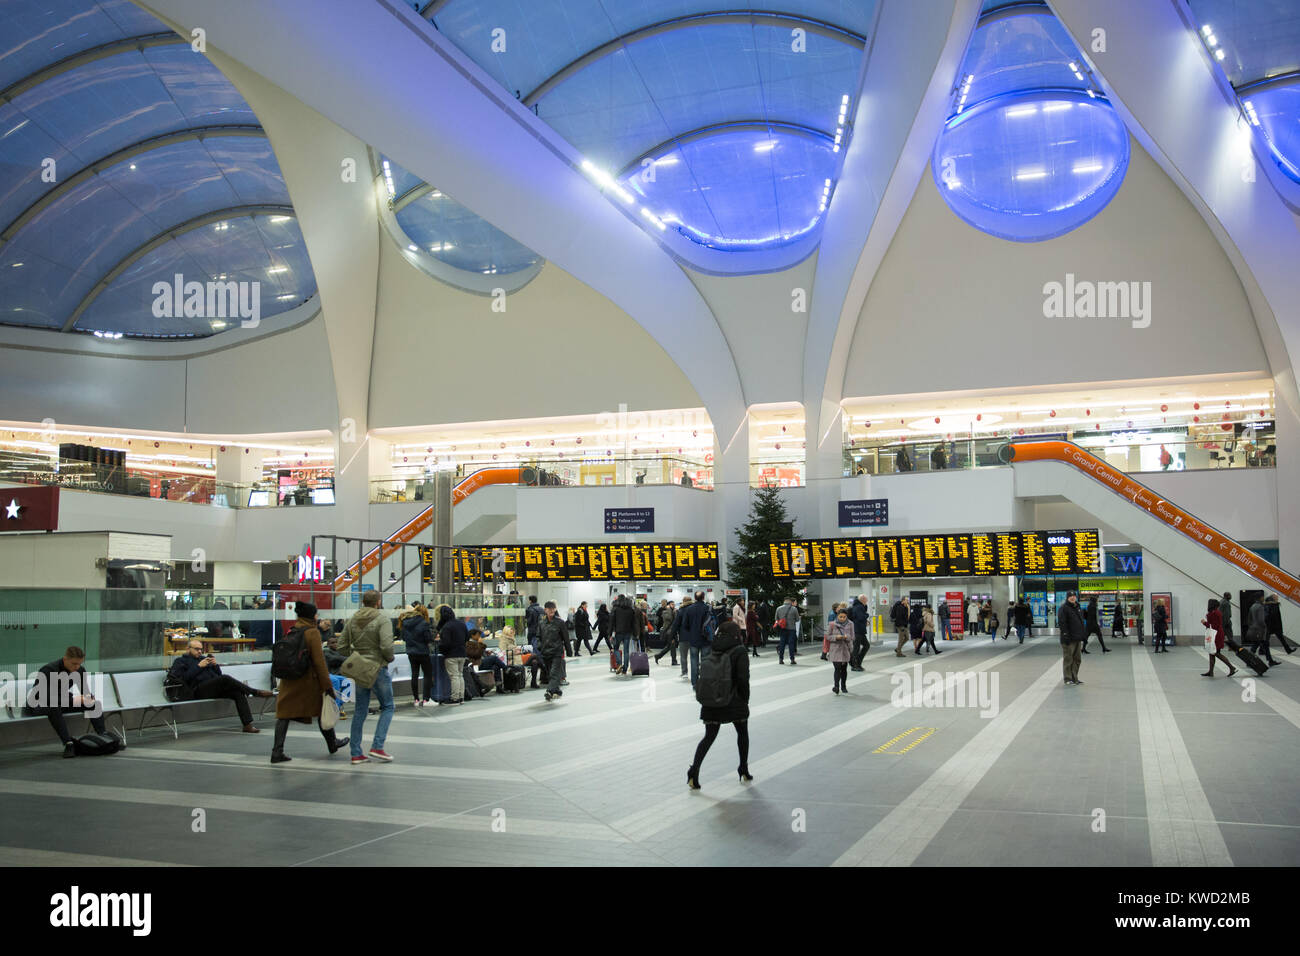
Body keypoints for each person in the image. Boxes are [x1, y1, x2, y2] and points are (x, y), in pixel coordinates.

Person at [271, 602, 348, 763]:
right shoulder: (312, 633)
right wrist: (327, 686)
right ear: (312, 616)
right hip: (307, 682)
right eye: (315, 613)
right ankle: (332, 743)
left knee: (284, 715)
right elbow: (319, 663)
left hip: (289, 679)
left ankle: (277, 751)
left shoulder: (292, 630)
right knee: (321, 708)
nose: (317, 616)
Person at [686, 620, 751, 789]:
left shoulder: (713, 647)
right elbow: (743, 678)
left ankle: (694, 771)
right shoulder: (739, 650)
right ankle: (743, 768)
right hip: (734, 699)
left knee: (709, 736)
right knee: (742, 733)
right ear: (736, 634)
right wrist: (745, 699)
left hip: (712, 698)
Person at [167, 637, 273, 733]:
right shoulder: (180, 661)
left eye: (201, 649)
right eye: (196, 649)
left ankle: (247, 725)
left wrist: (215, 666)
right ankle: (254, 692)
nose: (199, 651)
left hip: (212, 688)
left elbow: (218, 676)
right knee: (225, 678)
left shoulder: (203, 659)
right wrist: (199, 667)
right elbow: (183, 679)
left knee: (237, 693)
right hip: (196, 690)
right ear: (188, 649)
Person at [339, 589, 396, 763]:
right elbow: (386, 645)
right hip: (378, 667)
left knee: (360, 710)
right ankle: (377, 746)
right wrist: (389, 658)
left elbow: (342, 646)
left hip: (359, 669)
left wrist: (355, 657)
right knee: (387, 706)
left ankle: (356, 752)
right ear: (378, 602)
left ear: (363, 602)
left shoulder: (352, 619)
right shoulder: (382, 619)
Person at [28, 647, 114, 757]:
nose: (76, 667)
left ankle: (103, 737)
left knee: (94, 704)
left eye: (79, 664)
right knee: (54, 707)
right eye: (74, 664)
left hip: (61, 701)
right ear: (65, 659)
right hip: (39, 704)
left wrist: (89, 698)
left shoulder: (79, 670)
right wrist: (73, 700)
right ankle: (68, 744)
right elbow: (44, 697)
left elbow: (85, 691)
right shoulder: (49, 670)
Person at [678, 590, 715, 688]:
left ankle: (694, 683)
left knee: (693, 661)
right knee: (705, 660)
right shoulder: (708, 608)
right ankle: (705, 681)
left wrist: (692, 631)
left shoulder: (689, 609)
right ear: (703, 597)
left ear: (695, 598)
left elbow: (684, 625)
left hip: (693, 639)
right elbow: (715, 622)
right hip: (706, 639)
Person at [400, 604, 434, 707]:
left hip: (411, 652)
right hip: (423, 651)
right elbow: (427, 638)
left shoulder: (405, 623)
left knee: (414, 674)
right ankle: (426, 699)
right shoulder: (423, 623)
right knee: (427, 674)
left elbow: (404, 638)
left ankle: (416, 699)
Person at [435, 603, 469, 705]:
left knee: (454, 676)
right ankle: (461, 697)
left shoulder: (446, 627)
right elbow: (467, 637)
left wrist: (440, 647)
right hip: (462, 653)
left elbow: (446, 643)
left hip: (451, 655)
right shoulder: (461, 623)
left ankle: (454, 698)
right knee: (460, 675)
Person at [538, 601, 568, 701]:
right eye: (549, 609)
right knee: (549, 674)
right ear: (545, 610)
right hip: (545, 652)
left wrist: (569, 650)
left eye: (553, 609)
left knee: (554, 673)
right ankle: (557, 690)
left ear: (555, 609)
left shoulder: (560, 622)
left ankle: (549, 691)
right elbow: (538, 637)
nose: (551, 610)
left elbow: (565, 637)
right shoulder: (542, 623)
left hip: (557, 652)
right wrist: (539, 647)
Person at [1200, 598, 1237, 678]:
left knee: (1216, 653)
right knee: (1212, 653)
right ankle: (1211, 671)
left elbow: (1213, 626)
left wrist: (1204, 623)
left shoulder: (1213, 614)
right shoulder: (1217, 612)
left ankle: (1231, 667)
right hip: (1217, 634)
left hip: (1215, 635)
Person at [1058, 592, 1086, 685]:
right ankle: (1067, 678)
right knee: (1068, 659)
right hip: (1068, 639)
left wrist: (1083, 635)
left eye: (1074, 596)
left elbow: (1081, 622)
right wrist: (1065, 635)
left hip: (1077, 637)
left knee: (1077, 659)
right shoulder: (1064, 608)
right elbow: (1062, 623)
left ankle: (1075, 678)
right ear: (1067, 598)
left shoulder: (1077, 607)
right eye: (1070, 596)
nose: (1072, 598)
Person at [826, 608, 854, 695]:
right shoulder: (832, 624)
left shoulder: (850, 624)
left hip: (845, 649)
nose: (842, 618)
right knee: (837, 668)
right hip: (835, 649)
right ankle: (836, 686)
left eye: (844, 617)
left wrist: (847, 637)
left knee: (844, 669)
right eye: (840, 616)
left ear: (847, 617)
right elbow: (828, 637)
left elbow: (853, 637)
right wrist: (836, 637)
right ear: (837, 616)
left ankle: (844, 686)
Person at [610, 593, 638, 675]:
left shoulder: (615, 609)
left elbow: (611, 622)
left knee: (615, 648)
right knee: (626, 651)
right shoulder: (630, 610)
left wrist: (609, 633)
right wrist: (635, 633)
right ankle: (625, 669)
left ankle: (619, 664)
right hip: (628, 632)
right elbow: (634, 623)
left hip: (618, 632)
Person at [847, 594, 870, 670]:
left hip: (860, 630)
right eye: (866, 599)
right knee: (856, 648)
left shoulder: (859, 607)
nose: (867, 601)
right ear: (862, 600)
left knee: (866, 645)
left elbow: (858, 618)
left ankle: (857, 662)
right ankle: (854, 664)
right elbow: (860, 617)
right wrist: (867, 615)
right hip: (857, 631)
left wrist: (865, 621)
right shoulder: (858, 607)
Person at [775, 597, 800, 665]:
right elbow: (797, 619)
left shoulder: (779, 608)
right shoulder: (794, 609)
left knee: (782, 644)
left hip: (782, 629)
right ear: (789, 601)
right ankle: (792, 659)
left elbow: (776, 619)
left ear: (784, 601)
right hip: (792, 629)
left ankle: (781, 659)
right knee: (791, 644)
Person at [655, 600, 680, 665]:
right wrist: (670, 611)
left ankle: (658, 656)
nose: (673, 605)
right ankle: (674, 661)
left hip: (673, 631)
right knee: (672, 646)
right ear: (668, 605)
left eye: (674, 604)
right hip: (669, 632)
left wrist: (675, 612)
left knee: (669, 646)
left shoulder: (674, 611)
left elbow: (676, 620)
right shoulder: (665, 612)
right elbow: (669, 618)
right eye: (672, 604)